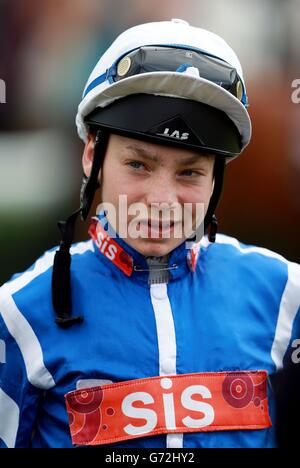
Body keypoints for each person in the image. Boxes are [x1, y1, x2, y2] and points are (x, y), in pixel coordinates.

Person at [0, 18, 299, 449]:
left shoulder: (287, 294)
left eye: (190, 172)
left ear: (218, 179)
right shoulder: (20, 312)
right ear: (92, 156)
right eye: (139, 165)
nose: (162, 200)